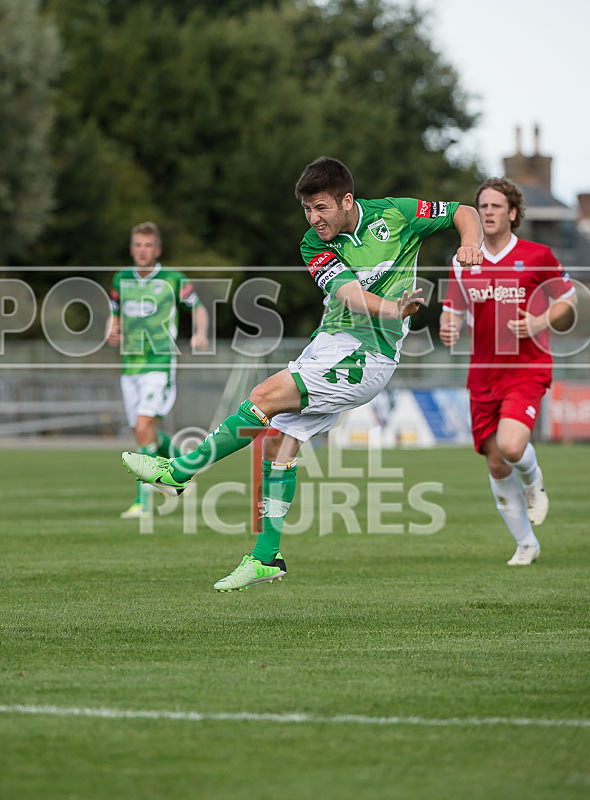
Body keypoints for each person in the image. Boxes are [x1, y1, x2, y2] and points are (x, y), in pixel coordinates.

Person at [123, 157, 483, 590]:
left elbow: (463, 212)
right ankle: (265, 557)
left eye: (321, 208)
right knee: (279, 444)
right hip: (329, 344)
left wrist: (471, 242)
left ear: (346, 201)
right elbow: (349, 295)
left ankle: (180, 472)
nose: (313, 219)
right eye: (307, 210)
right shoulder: (313, 245)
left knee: (264, 395)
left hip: (368, 354)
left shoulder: (396, 213)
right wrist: (394, 307)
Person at [440, 177, 576, 565]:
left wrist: (538, 322)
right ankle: (526, 543)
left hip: (526, 368)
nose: (488, 212)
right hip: (483, 374)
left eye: (496, 206)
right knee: (497, 461)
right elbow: (453, 311)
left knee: (512, 447)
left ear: (513, 213)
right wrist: (448, 326)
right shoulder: (464, 260)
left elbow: (567, 301)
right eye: (483, 206)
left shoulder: (537, 255)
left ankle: (534, 482)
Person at [107, 221, 209, 518]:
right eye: (138, 245)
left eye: (148, 245)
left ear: (158, 250)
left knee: (143, 427)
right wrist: (112, 329)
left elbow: (198, 307)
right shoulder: (121, 279)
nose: (143, 250)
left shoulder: (173, 279)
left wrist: (200, 332)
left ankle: (143, 502)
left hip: (159, 362)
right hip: (130, 365)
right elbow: (115, 312)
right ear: (131, 248)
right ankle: (184, 468)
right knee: (143, 430)